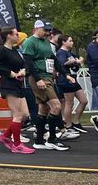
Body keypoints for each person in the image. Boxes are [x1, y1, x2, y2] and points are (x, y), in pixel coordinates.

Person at [20, 20, 70, 150]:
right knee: (56, 105)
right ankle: (52, 138)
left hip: (48, 77)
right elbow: (28, 62)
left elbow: (54, 60)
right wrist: (37, 79)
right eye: (45, 30)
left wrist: (66, 74)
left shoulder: (46, 42)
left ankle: (39, 140)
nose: (48, 32)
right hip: (39, 78)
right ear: (37, 28)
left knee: (44, 109)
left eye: (49, 31)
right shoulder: (30, 42)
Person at [0, 27, 34, 153]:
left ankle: (5, 136)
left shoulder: (14, 49)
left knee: (25, 114)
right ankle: (17, 145)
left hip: (18, 84)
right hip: (8, 84)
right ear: (9, 36)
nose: (18, 36)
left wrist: (24, 70)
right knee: (17, 115)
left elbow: (23, 63)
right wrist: (9, 73)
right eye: (16, 34)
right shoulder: (1, 49)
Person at [55, 35, 87, 133]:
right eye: (70, 40)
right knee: (69, 103)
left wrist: (79, 60)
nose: (72, 42)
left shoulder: (69, 52)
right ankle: (68, 125)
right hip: (66, 80)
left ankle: (76, 121)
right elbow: (61, 64)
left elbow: (79, 58)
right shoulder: (61, 53)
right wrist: (70, 62)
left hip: (73, 79)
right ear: (64, 42)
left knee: (84, 100)